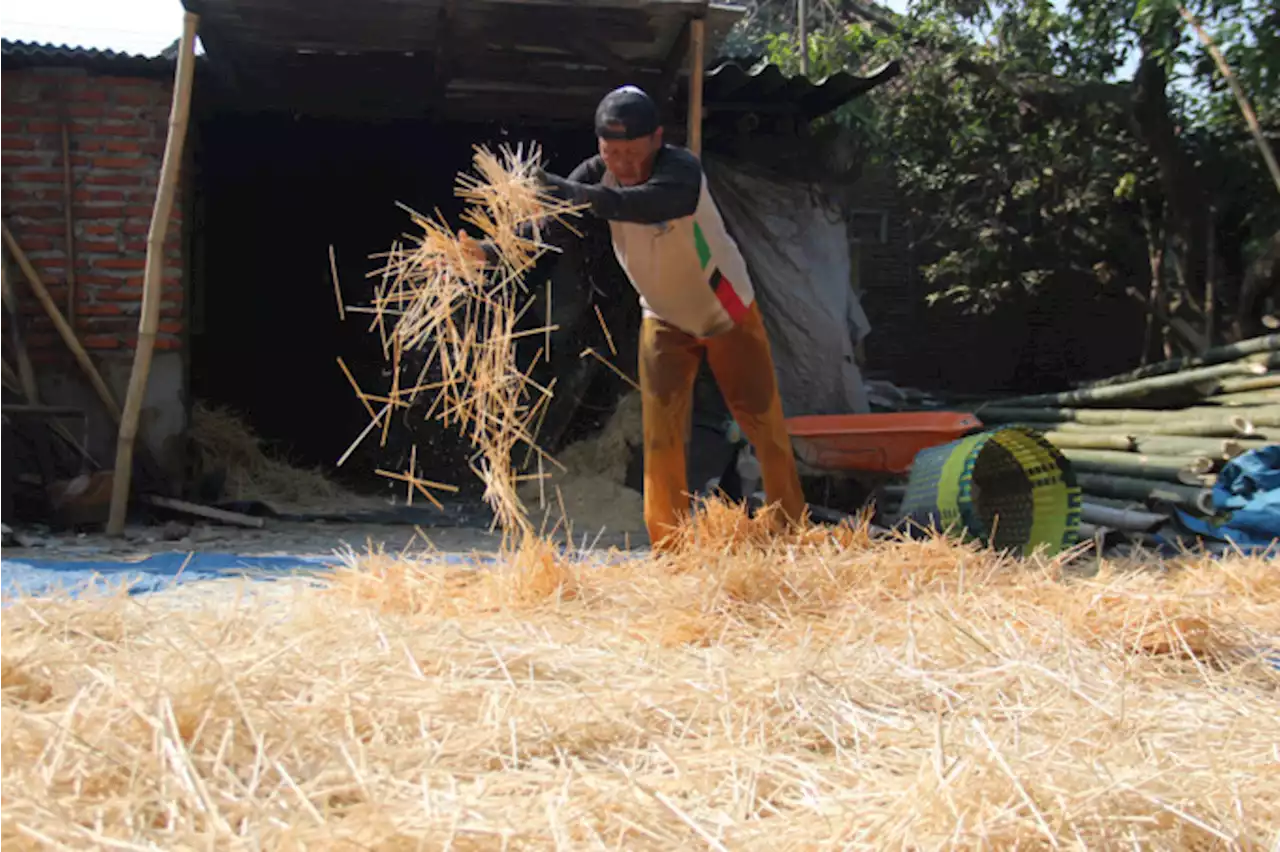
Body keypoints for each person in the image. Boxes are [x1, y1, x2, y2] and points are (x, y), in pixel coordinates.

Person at [460, 85, 806, 550]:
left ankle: (791, 530)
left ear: (656, 138)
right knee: (660, 432)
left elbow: (643, 204)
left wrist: (576, 192)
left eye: (629, 151)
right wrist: (490, 251)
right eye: (610, 151)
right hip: (662, 316)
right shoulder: (596, 176)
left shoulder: (681, 171)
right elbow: (549, 226)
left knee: (762, 423)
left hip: (725, 308)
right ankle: (671, 546)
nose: (620, 163)